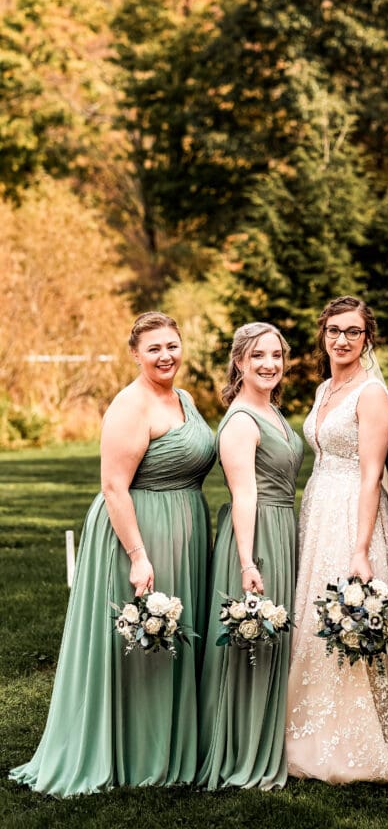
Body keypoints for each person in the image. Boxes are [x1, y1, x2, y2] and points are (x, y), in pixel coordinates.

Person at [10, 312, 215, 797]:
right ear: (135, 354)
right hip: (137, 532)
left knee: (174, 640)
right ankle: (133, 753)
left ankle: (177, 745)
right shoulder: (131, 404)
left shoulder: (182, 398)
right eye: (154, 349)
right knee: (137, 644)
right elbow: (113, 487)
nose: (166, 356)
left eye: (172, 345)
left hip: (183, 529)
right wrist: (139, 555)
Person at [286, 296, 388, 783]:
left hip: (354, 512)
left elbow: (372, 474)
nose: (342, 339)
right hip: (319, 506)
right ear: (323, 334)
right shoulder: (325, 387)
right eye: (334, 330)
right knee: (314, 614)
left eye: (353, 332)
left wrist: (360, 547)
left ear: (367, 338)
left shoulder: (370, 394)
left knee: (346, 611)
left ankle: (353, 739)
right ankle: (308, 726)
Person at [197, 322, 303, 790]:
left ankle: (271, 735)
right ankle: (242, 748)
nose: (269, 364)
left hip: (281, 528)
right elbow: (243, 495)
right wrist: (247, 561)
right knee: (253, 641)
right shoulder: (242, 420)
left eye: (276, 355)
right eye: (258, 356)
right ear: (239, 361)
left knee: (273, 638)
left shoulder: (271, 410)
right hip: (255, 536)